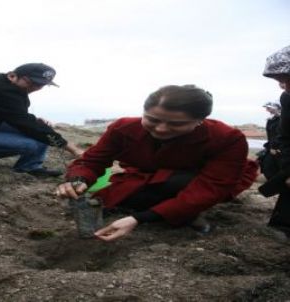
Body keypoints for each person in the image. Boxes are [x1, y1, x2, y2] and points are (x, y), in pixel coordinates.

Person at [56, 85, 258, 241]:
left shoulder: (227, 138)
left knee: (179, 186)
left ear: (200, 120)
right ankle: (160, 207)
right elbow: (93, 160)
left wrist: (140, 219)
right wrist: (78, 179)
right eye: (152, 119)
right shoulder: (123, 128)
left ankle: (190, 215)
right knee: (126, 198)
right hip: (144, 176)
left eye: (176, 124)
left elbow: (211, 187)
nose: (161, 129)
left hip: (193, 180)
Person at [258, 45, 290, 234]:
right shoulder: (287, 98)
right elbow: (286, 136)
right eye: (280, 81)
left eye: (287, 80)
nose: (284, 86)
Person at [258, 101, 281, 180]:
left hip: (280, 147)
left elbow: (281, 134)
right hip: (271, 146)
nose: (267, 110)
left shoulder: (282, 119)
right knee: (265, 164)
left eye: (269, 108)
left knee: (272, 166)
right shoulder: (271, 120)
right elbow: (270, 135)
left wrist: (275, 147)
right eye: (267, 108)